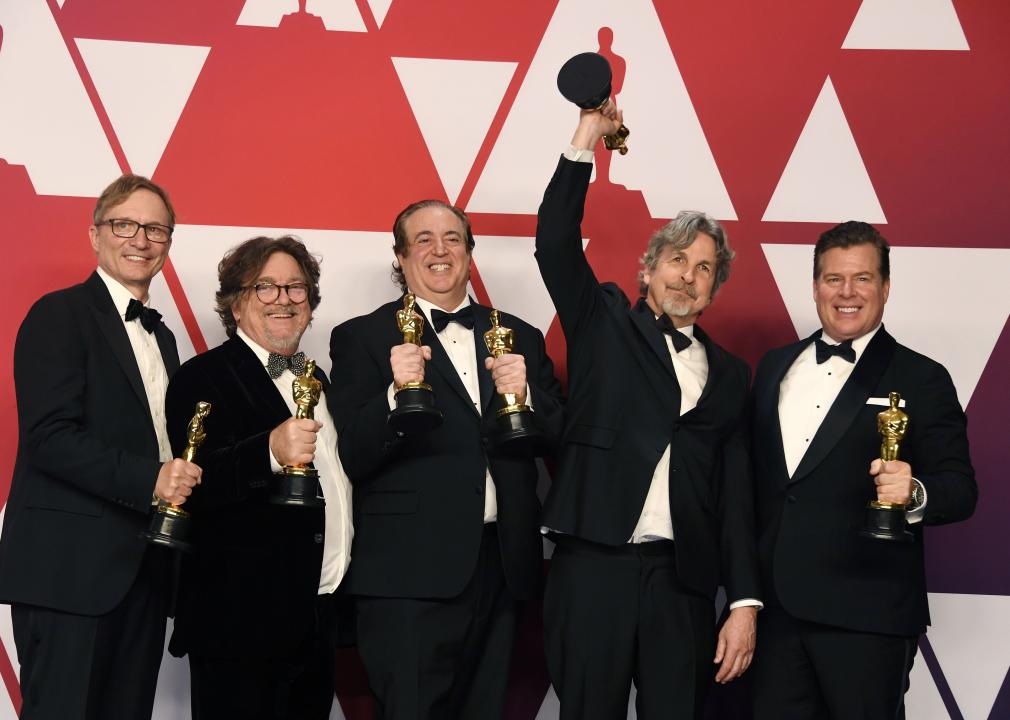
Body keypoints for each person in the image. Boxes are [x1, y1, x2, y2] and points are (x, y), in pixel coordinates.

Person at [534, 101, 761, 720]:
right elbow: (555, 242)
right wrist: (587, 135)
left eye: (705, 268)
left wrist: (743, 602)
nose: (688, 277)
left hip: (681, 584)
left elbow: (736, 498)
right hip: (592, 572)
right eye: (678, 260)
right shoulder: (602, 321)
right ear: (649, 268)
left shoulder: (733, 377)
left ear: (716, 288)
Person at [328, 199, 565, 720]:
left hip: (502, 567)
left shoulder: (519, 335)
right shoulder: (362, 337)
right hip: (408, 576)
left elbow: (560, 436)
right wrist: (396, 395)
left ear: (469, 251)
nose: (440, 251)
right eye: (424, 240)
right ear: (401, 256)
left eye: (453, 239)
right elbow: (353, 454)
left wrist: (526, 398)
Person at [749, 221, 977, 719]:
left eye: (863, 278)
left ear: (885, 287)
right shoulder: (773, 367)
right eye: (833, 279)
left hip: (868, 615)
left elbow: (960, 489)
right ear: (815, 287)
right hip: (776, 617)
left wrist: (913, 491)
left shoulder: (923, 376)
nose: (847, 293)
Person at [0, 175, 200, 719]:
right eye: (125, 225)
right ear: (95, 235)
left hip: (143, 570)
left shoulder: (161, 336)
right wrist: (151, 478)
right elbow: (49, 438)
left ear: (168, 242)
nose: (140, 239)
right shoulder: (58, 315)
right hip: (69, 573)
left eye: (155, 229)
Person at [164, 235, 353, 719]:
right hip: (241, 625)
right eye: (265, 287)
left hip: (318, 615)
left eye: (296, 288)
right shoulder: (200, 376)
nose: (284, 300)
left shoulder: (319, 378)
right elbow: (192, 486)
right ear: (236, 303)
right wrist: (267, 450)